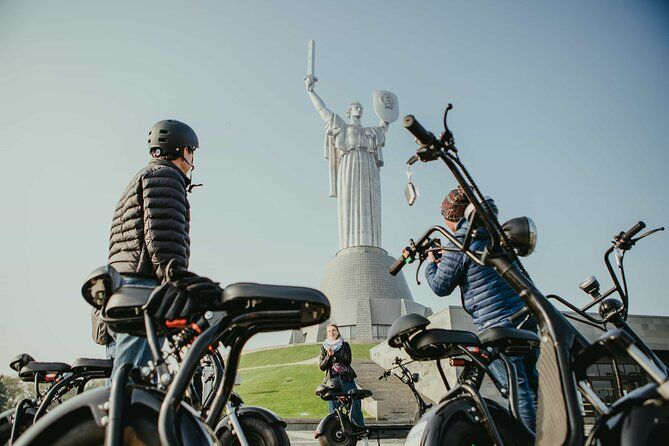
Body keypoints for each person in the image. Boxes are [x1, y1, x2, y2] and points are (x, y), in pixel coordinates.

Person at [423, 187, 539, 432]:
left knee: (516, 389)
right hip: (525, 318)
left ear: (452, 219)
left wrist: (431, 265)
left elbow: (440, 286)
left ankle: (530, 440)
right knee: (531, 384)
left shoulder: (459, 241)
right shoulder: (495, 230)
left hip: (498, 324)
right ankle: (546, 434)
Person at [104, 119, 199, 376]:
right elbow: (164, 239)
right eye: (192, 152)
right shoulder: (166, 177)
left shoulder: (141, 177)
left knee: (122, 378)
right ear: (184, 150)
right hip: (142, 290)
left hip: (121, 289)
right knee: (134, 386)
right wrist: (180, 284)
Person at [305, 77, 391, 250]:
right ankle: (349, 245)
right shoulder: (343, 127)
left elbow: (385, 126)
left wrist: (387, 110)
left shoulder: (371, 131)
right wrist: (311, 91)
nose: (359, 109)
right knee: (350, 203)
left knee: (370, 204)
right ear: (349, 111)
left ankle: (372, 244)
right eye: (355, 107)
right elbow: (323, 110)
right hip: (350, 163)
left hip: (368, 165)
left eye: (361, 107)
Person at [318, 324, 365, 428]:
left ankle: (360, 428)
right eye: (329, 331)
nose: (331, 333)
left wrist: (335, 354)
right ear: (327, 334)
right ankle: (335, 430)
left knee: (355, 403)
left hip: (346, 379)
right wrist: (328, 356)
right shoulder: (324, 347)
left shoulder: (345, 345)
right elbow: (322, 366)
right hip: (332, 381)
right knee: (333, 409)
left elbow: (348, 361)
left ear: (338, 332)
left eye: (333, 330)